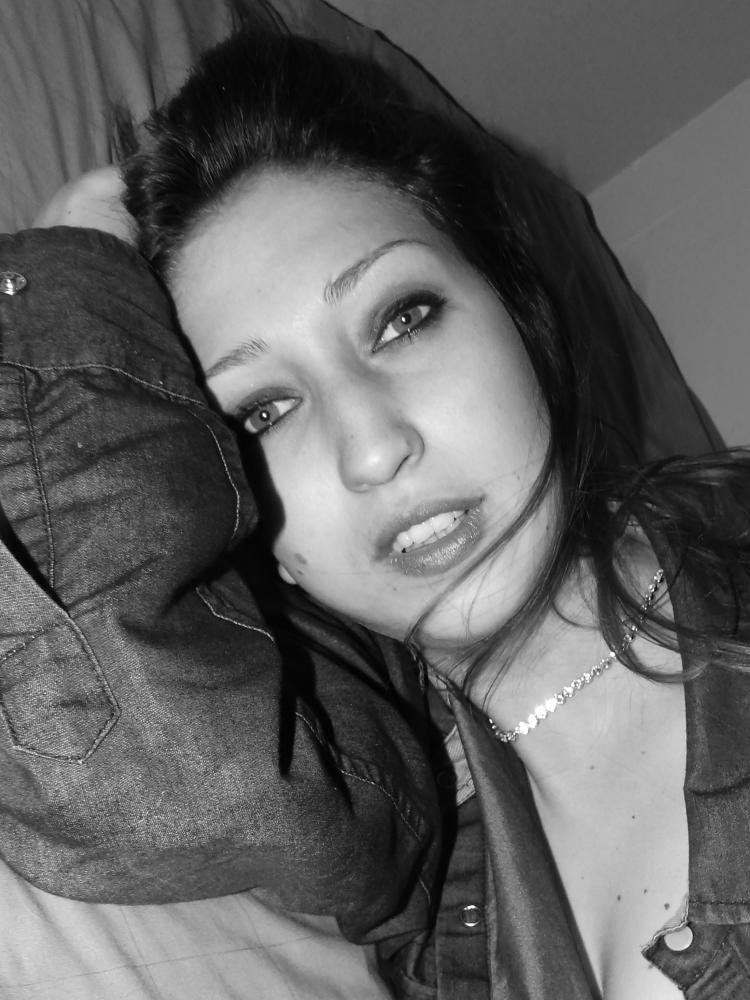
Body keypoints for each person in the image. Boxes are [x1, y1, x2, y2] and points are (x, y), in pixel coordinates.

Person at [106, 25, 747, 1000]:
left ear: (518, 315)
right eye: (263, 412)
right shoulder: (424, 914)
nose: (372, 448)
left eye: (402, 319)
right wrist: (65, 282)